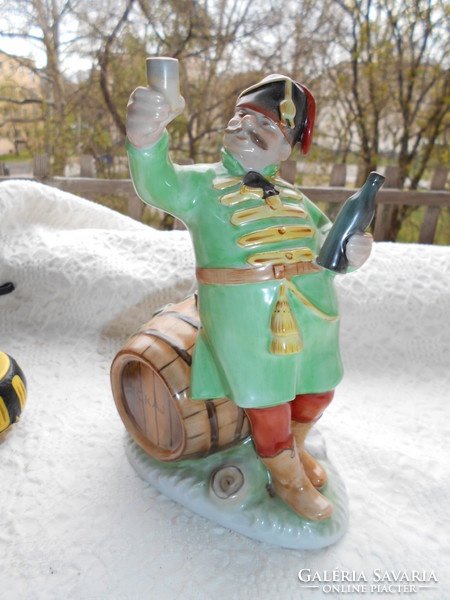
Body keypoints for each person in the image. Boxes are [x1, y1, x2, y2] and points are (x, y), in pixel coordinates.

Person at [126, 72, 372, 521]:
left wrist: (354, 251)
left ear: (285, 149)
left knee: (319, 390)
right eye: (240, 115)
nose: (243, 126)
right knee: (268, 402)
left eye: (264, 124)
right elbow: (157, 184)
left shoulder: (296, 197)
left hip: (312, 310)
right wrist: (146, 139)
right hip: (243, 318)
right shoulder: (202, 185)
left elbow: (328, 241)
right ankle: (287, 479)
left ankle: (293, 450)